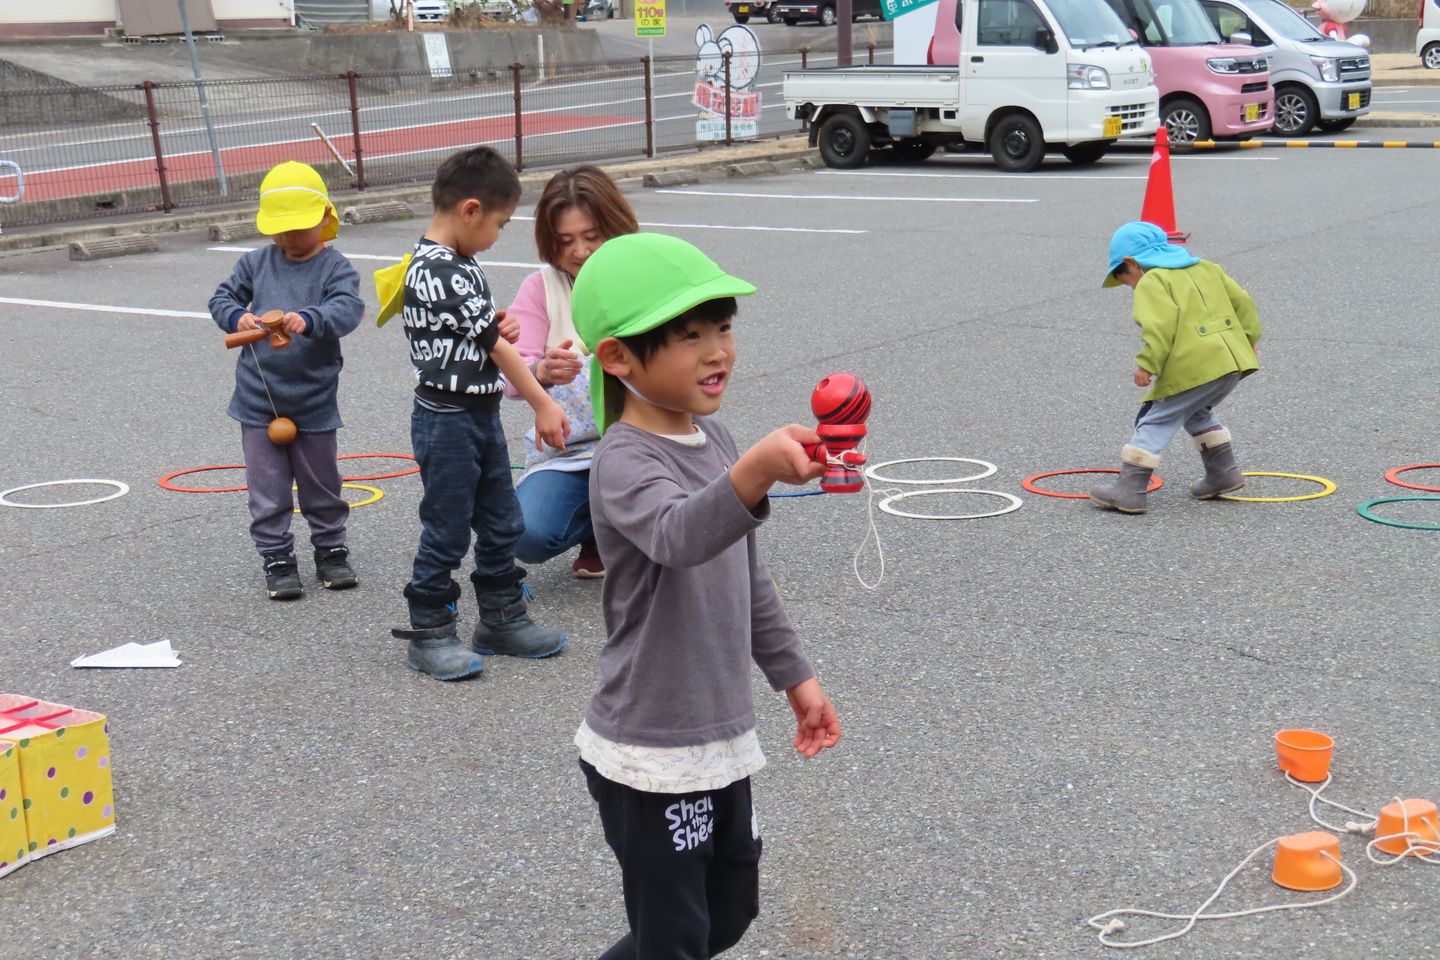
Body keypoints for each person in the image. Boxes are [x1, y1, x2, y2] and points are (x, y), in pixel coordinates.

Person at [570, 233, 843, 960]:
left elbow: (747, 578)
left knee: (729, 911)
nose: (716, 350)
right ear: (620, 358)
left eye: (722, 327)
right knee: (677, 935)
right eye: (688, 335)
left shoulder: (715, 440)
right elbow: (678, 534)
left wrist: (798, 679)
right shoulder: (624, 460)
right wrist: (754, 469)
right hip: (649, 750)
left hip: (721, 736)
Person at [392, 146, 572, 682]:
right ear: (469, 210)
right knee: (446, 528)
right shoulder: (438, 269)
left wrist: (495, 328)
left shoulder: (459, 264)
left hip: (479, 412)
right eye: (499, 223)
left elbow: (477, 334)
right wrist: (542, 401)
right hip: (446, 420)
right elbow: (493, 347)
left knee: (502, 520)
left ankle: (500, 619)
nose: (497, 236)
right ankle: (429, 633)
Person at [208, 161, 365, 600]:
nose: (287, 237)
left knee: (321, 482)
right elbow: (220, 298)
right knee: (267, 485)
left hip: (314, 398)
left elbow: (349, 309)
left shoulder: (335, 267)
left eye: (297, 228)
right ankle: (276, 555)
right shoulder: (255, 263)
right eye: (279, 229)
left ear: (324, 219)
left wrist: (311, 318)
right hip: (258, 400)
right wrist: (238, 315)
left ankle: (331, 548)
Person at [504, 166, 639, 579]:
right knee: (525, 533)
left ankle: (637, 534)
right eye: (566, 241)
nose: (580, 251)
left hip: (644, 445)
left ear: (615, 228)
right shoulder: (540, 288)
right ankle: (600, 531)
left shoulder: (642, 277)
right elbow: (510, 378)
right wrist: (540, 371)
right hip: (571, 453)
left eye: (592, 236)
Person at [1090, 221, 1262, 514]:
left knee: (1157, 419)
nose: (1129, 285)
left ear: (1131, 262)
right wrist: (1249, 338)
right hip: (1232, 362)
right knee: (1198, 411)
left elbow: (1161, 327)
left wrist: (1147, 364)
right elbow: (1243, 303)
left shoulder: (1153, 281)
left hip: (1196, 366)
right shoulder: (1208, 268)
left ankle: (1129, 490)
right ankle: (1223, 473)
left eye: (1125, 278)